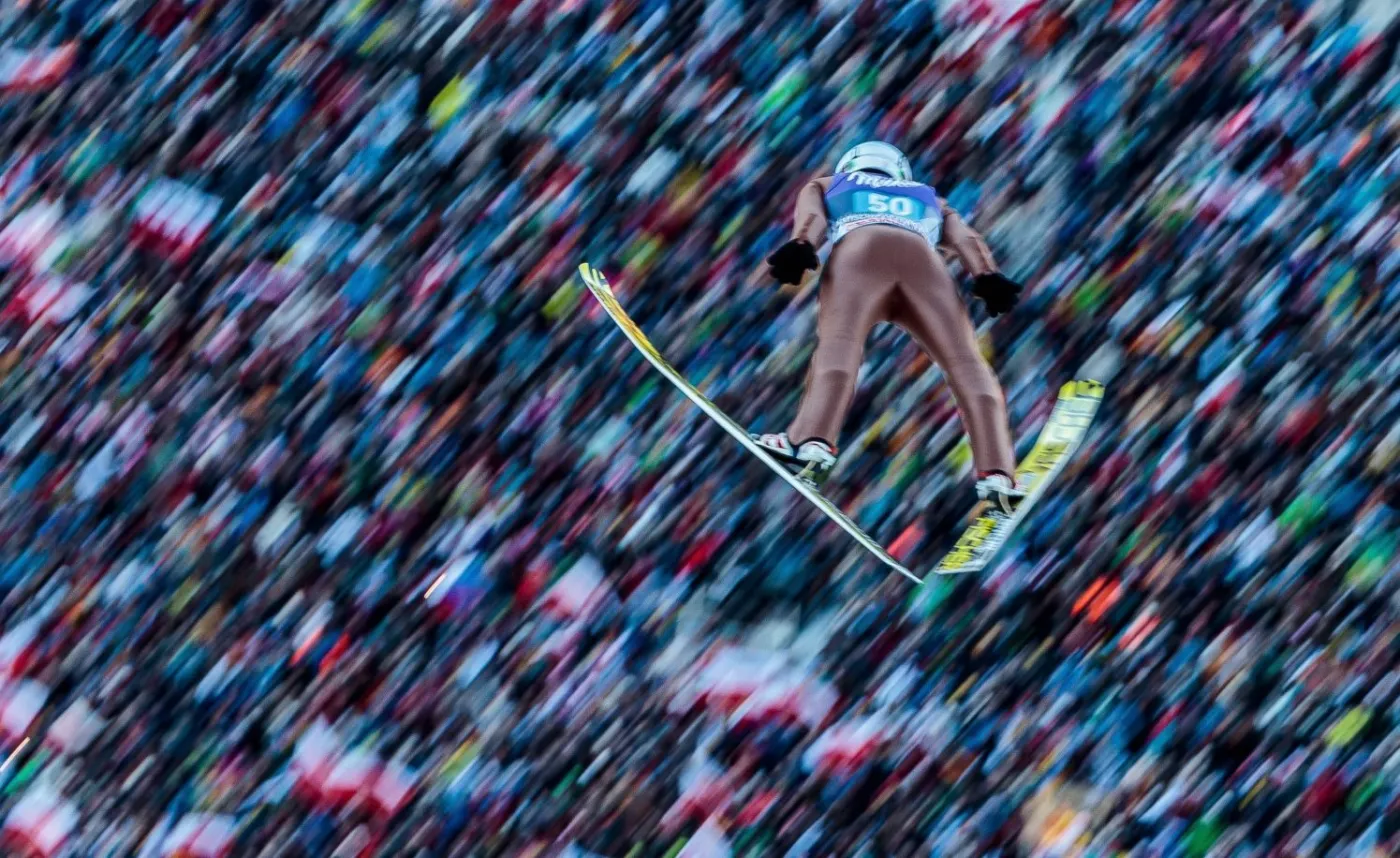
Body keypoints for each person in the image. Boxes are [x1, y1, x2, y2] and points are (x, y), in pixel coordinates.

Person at [751, 141, 1026, 512]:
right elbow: (966, 238)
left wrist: (803, 245)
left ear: (852, 165)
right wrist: (987, 275)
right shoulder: (927, 195)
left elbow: (813, 221)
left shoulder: (829, 183)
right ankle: (998, 473)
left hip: (860, 251)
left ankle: (812, 441)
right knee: (966, 363)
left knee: (841, 343)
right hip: (924, 263)